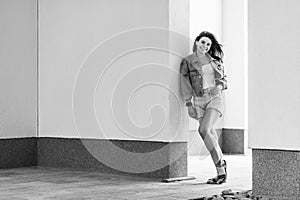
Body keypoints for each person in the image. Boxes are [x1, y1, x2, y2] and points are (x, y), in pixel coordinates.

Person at [180, 31, 228, 184]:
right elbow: (185, 84)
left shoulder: (215, 61)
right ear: (197, 42)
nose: (205, 46)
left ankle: (220, 169)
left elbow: (223, 79)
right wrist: (188, 104)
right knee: (210, 132)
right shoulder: (187, 62)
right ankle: (222, 164)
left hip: (214, 97)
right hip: (198, 100)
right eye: (203, 43)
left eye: (208, 44)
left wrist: (218, 88)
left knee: (203, 130)